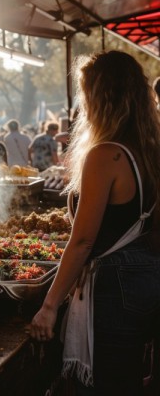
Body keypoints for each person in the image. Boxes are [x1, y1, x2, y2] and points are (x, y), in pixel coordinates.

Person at [29, 51, 160, 395]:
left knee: (106, 385)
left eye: (87, 94)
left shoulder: (106, 155)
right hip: (145, 275)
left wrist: (49, 306)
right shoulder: (148, 148)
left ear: (103, 97)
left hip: (115, 286)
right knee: (127, 380)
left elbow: (83, 240)